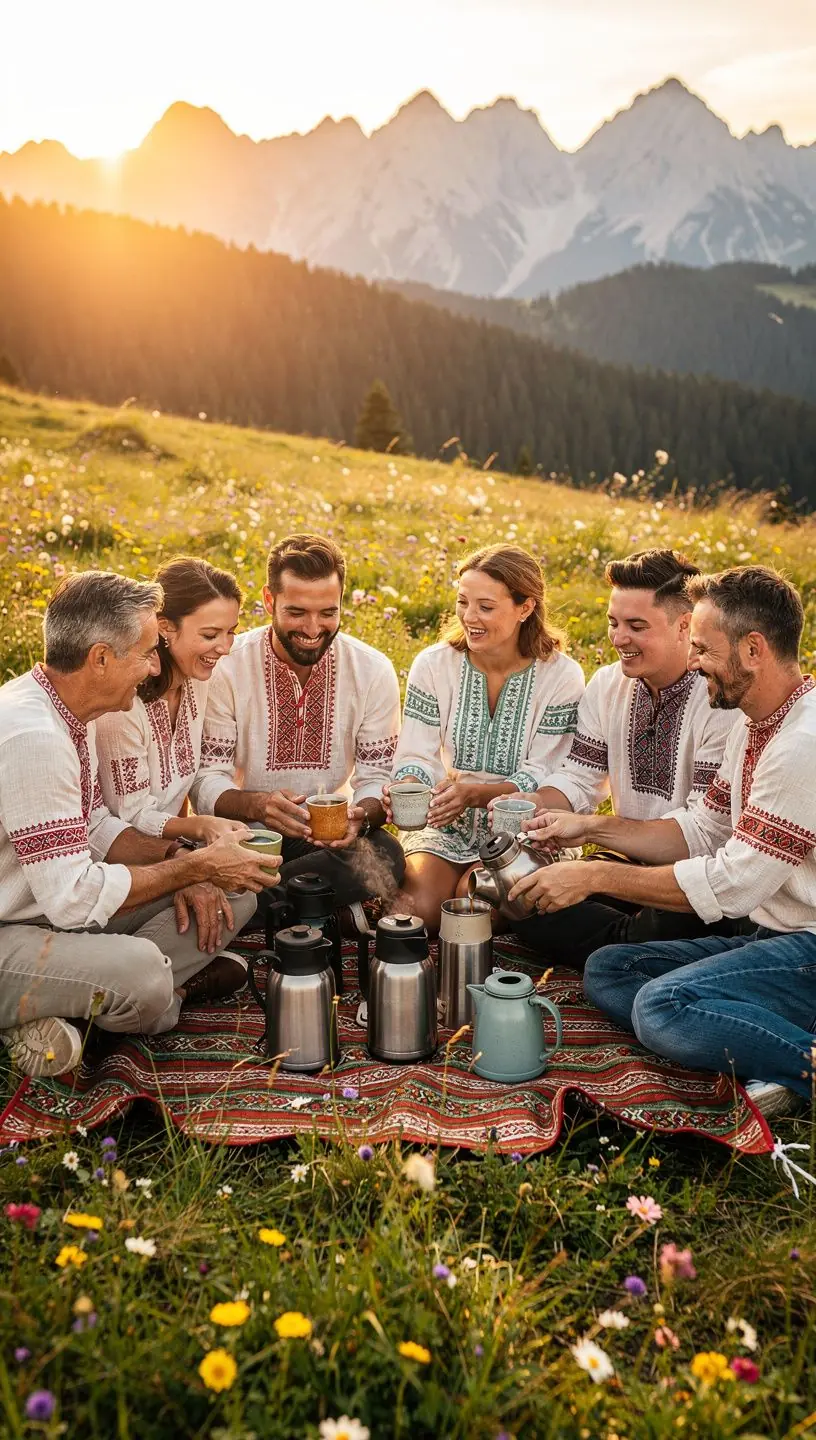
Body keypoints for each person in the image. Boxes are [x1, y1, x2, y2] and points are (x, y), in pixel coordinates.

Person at [510, 566, 816, 1117]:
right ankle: (761, 1034)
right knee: (609, 969)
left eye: (703, 649)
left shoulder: (800, 747)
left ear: (753, 650)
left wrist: (595, 875)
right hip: (769, 936)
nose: (694, 663)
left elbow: (733, 885)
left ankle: (796, 1061)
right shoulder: (753, 723)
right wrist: (590, 827)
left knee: (660, 1006)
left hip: (806, 945)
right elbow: (704, 830)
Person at [0, 571, 281, 1079]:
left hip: (46, 910)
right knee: (147, 977)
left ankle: (70, 1004)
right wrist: (191, 868)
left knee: (236, 892)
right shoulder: (35, 737)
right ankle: (126, 1004)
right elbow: (74, 898)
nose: (155, 665)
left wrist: (188, 865)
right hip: (11, 929)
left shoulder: (65, 710)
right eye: (147, 651)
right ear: (101, 657)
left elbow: (95, 826)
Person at [507, 549, 740, 969]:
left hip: (696, 879)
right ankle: (626, 946)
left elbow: (705, 835)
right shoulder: (607, 684)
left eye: (636, 626)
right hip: (627, 864)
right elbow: (579, 778)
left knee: (657, 927)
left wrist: (593, 829)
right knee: (527, 893)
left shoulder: (720, 700)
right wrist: (532, 808)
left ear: (684, 626)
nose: (618, 638)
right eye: (614, 623)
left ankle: (626, 948)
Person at [191, 533, 404, 909]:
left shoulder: (372, 670)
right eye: (296, 612)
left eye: (327, 613)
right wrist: (259, 807)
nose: (312, 629)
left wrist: (361, 818)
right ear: (269, 600)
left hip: (325, 841)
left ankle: (245, 905)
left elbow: (376, 778)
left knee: (385, 853)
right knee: (227, 856)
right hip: (242, 836)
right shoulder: (227, 665)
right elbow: (206, 779)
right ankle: (309, 905)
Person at [387, 544, 585, 931]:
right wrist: (410, 789)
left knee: (471, 905)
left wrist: (475, 795)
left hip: (526, 828)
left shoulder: (561, 676)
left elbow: (546, 772)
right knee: (416, 913)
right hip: (448, 821)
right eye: (463, 602)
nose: (469, 617)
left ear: (525, 607)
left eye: (486, 607)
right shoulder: (434, 664)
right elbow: (416, 754)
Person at [96, 556, 250, 845]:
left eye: (232, 632)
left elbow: (178, 793)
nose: (225, 648)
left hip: (174, 848)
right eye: (210, 634)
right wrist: (198, 828)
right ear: (165, 627)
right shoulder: (124, 703)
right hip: (124, 862)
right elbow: (130, 815)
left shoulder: (198, 681)